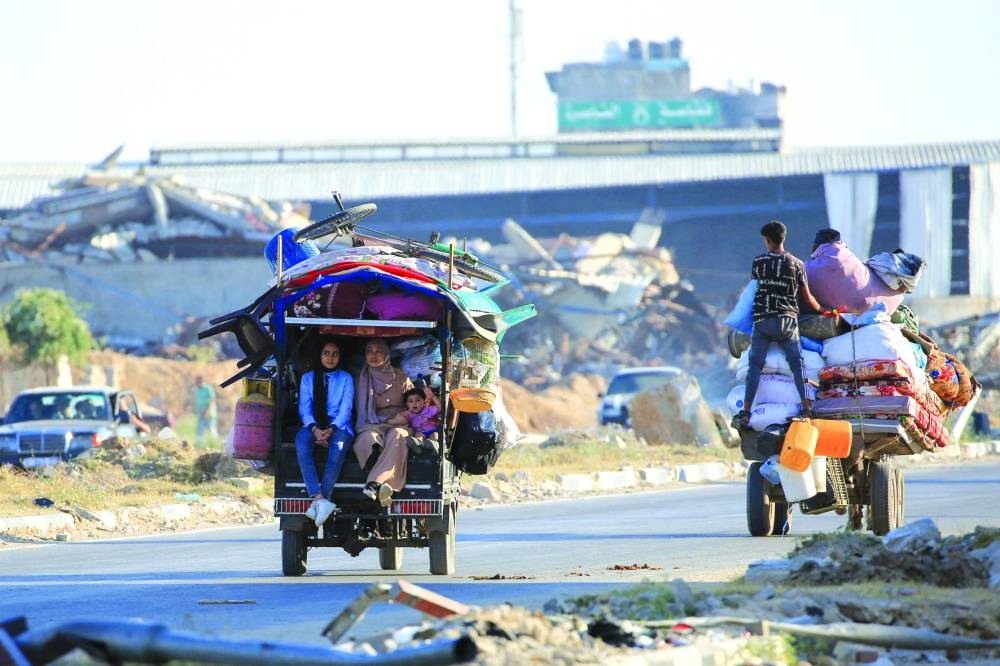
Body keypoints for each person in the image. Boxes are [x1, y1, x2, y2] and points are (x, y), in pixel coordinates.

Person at [732, 220, 824, 430]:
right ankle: (807, 407)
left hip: (763, 321)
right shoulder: (797, 264)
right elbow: (808, 299)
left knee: (755, 366)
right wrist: (822, 310)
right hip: (787, 322)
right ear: (783, 238)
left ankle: (746, 411)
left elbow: (753, 291)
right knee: (797, 364)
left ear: (768, 240)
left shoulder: (759, 262)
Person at [296, 339, 354, 528]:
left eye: (335, 354)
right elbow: (304, 409)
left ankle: (320, 500)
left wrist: (330, 430)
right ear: (319, 356)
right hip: (313, 425)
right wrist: (315, 430)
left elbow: (346, 410)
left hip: (338, 426)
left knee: (337, 449)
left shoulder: (346, 378)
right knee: (301, 444)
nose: (330, 358)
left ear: (340, 357)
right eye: (326, 353)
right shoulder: (308, 378)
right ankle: (320, 498)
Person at [353, 338, 414, 507]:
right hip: (373, 423)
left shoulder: (400, 376)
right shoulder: (361, 379)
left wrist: (403, 416)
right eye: (369, 351)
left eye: (379, 350)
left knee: (397, 435)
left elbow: (415, 404)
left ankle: (374, 483)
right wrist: (386, 422)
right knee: (367, 439)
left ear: (387, 354)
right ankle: (384, 486)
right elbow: (360, 410)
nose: (373, 355)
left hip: (401, 423)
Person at [388, 384, 442, 454]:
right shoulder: (409, 414)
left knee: (435, 434)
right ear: (407, 405)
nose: (414, 403)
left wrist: (433, 397)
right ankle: (417, 446)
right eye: (410, 401)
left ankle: (434, 445)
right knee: (418, 435)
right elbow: (396, 419)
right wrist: (401, 415)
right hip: (420, 432)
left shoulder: (428, 410)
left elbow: (440, 408)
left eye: (418, 400)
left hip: (432, 430)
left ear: (424, 402)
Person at [193, 376, 218, 443]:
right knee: (199, 431)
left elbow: (212, 400)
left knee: (212, 431)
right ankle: (199, 445)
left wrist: (207, 411)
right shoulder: (197, 390)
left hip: (209, 414)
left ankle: (216, 444)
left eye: (197, 381)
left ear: (201, 381)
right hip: (201, 414)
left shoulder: (208, 388)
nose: (196, 383)